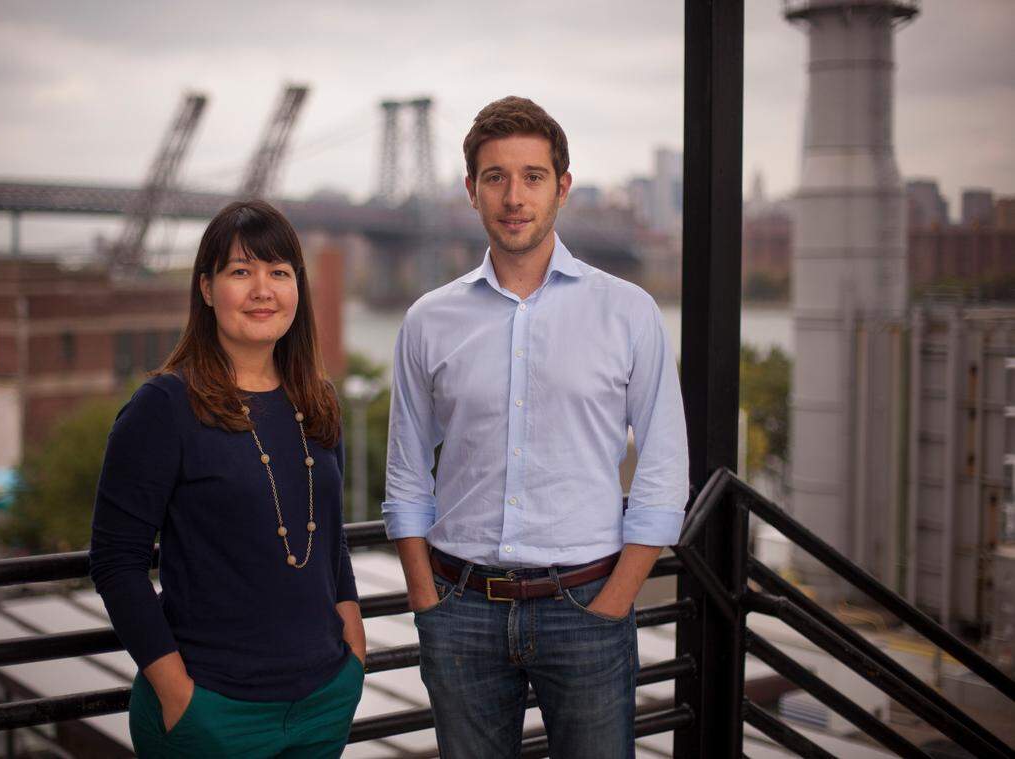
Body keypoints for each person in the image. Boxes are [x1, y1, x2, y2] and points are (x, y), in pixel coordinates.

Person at [383, 96, 689, 758]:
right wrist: (427, 601)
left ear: (563, 187)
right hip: (458, 608)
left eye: (532, 176)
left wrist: (615, 600)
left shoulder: (629, 313)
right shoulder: (428, 320)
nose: (513, 196)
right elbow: (406, 471)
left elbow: (665, 472)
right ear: (471, 191)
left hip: (586, 608)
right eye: (495, 177)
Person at [89, 200, 365, 758]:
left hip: (321, 705)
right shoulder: (162, 408)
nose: (263, 289)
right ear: (208, 290)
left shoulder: (317, 402)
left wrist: (353, 650)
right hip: (212, 713)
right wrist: (177, 694)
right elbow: (116, 562)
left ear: (298, 289)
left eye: (279, 273)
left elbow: (328, 539)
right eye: (241, 272)